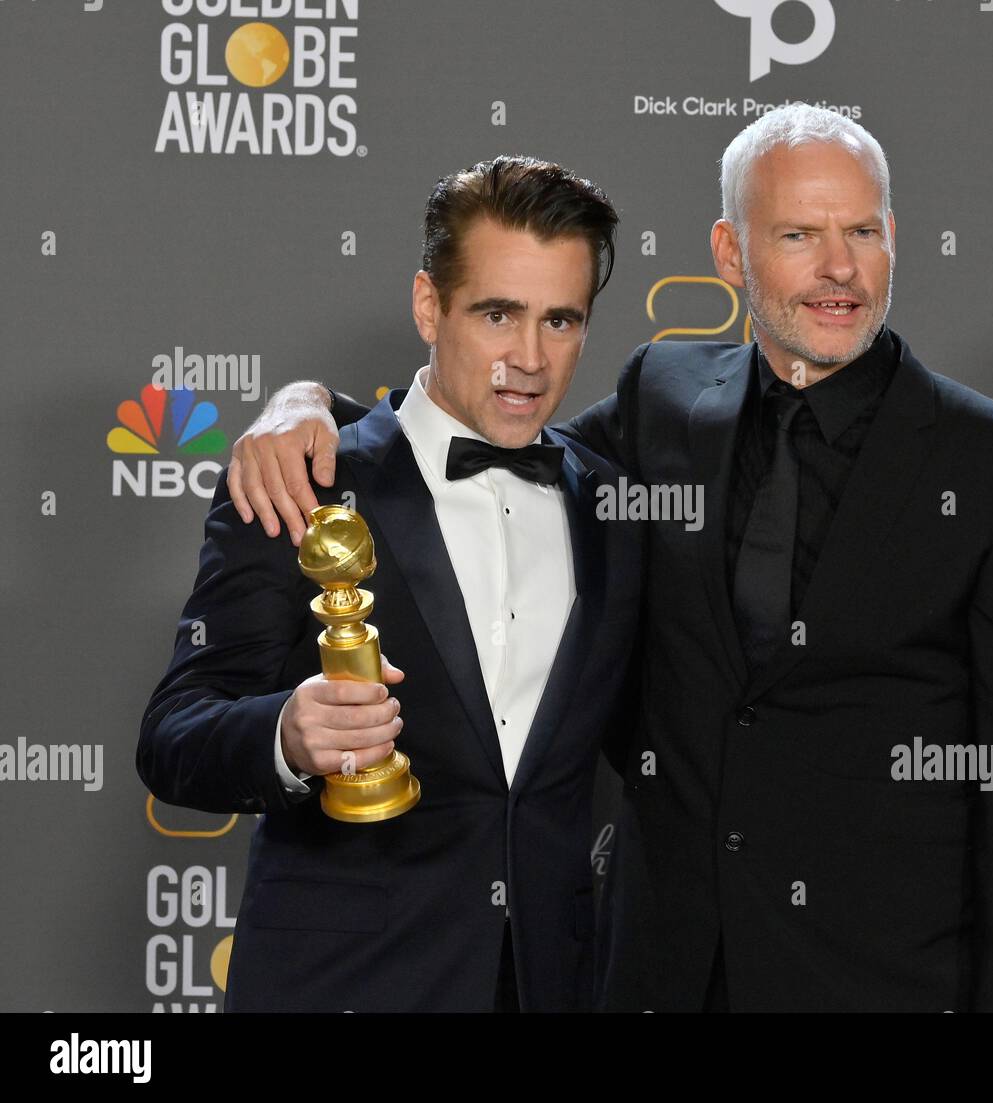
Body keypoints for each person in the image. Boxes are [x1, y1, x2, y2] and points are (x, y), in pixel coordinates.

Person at [227, 103, 993, 1012]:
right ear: (730, 253)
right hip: (653, 975)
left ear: (893, 238)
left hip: (878, 982)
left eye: (862, 231)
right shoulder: (662, 399)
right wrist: (305, 402)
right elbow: (484, 437)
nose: (840, 269)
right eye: (799, 234)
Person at [137, 155, 643, 1012]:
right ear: (427, 305)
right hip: (344, 986)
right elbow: (173, 735)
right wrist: (288, 735)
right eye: (498, 314)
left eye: (561, 320)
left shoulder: (616, 504)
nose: (528, 357)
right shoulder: (301, 479)